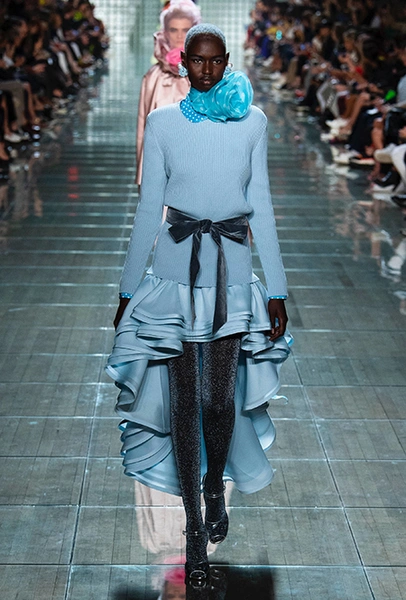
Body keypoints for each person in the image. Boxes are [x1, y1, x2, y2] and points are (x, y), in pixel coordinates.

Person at [107, 24, 291, 581]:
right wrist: (127, 288)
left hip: (231, 274)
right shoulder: (162, 123)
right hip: (173, 275)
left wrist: (277, 288)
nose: (206, 70)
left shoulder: (253, 123)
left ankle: (213, 484)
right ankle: (192, 527)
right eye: (197, 61)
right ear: (183, 61)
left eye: (215, 61)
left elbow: (261, 204)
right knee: (184, 403)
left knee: (217, 400)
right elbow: (149, 208)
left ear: (226, 61)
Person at [136, 0, 201, 184]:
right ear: (165, 33)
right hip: (159, 167)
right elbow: (143, 130)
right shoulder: (153, 77)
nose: (180, 36)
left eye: (186, 30)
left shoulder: (206, 75)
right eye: (173, 30)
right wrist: (143, 177)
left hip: (198, 166)